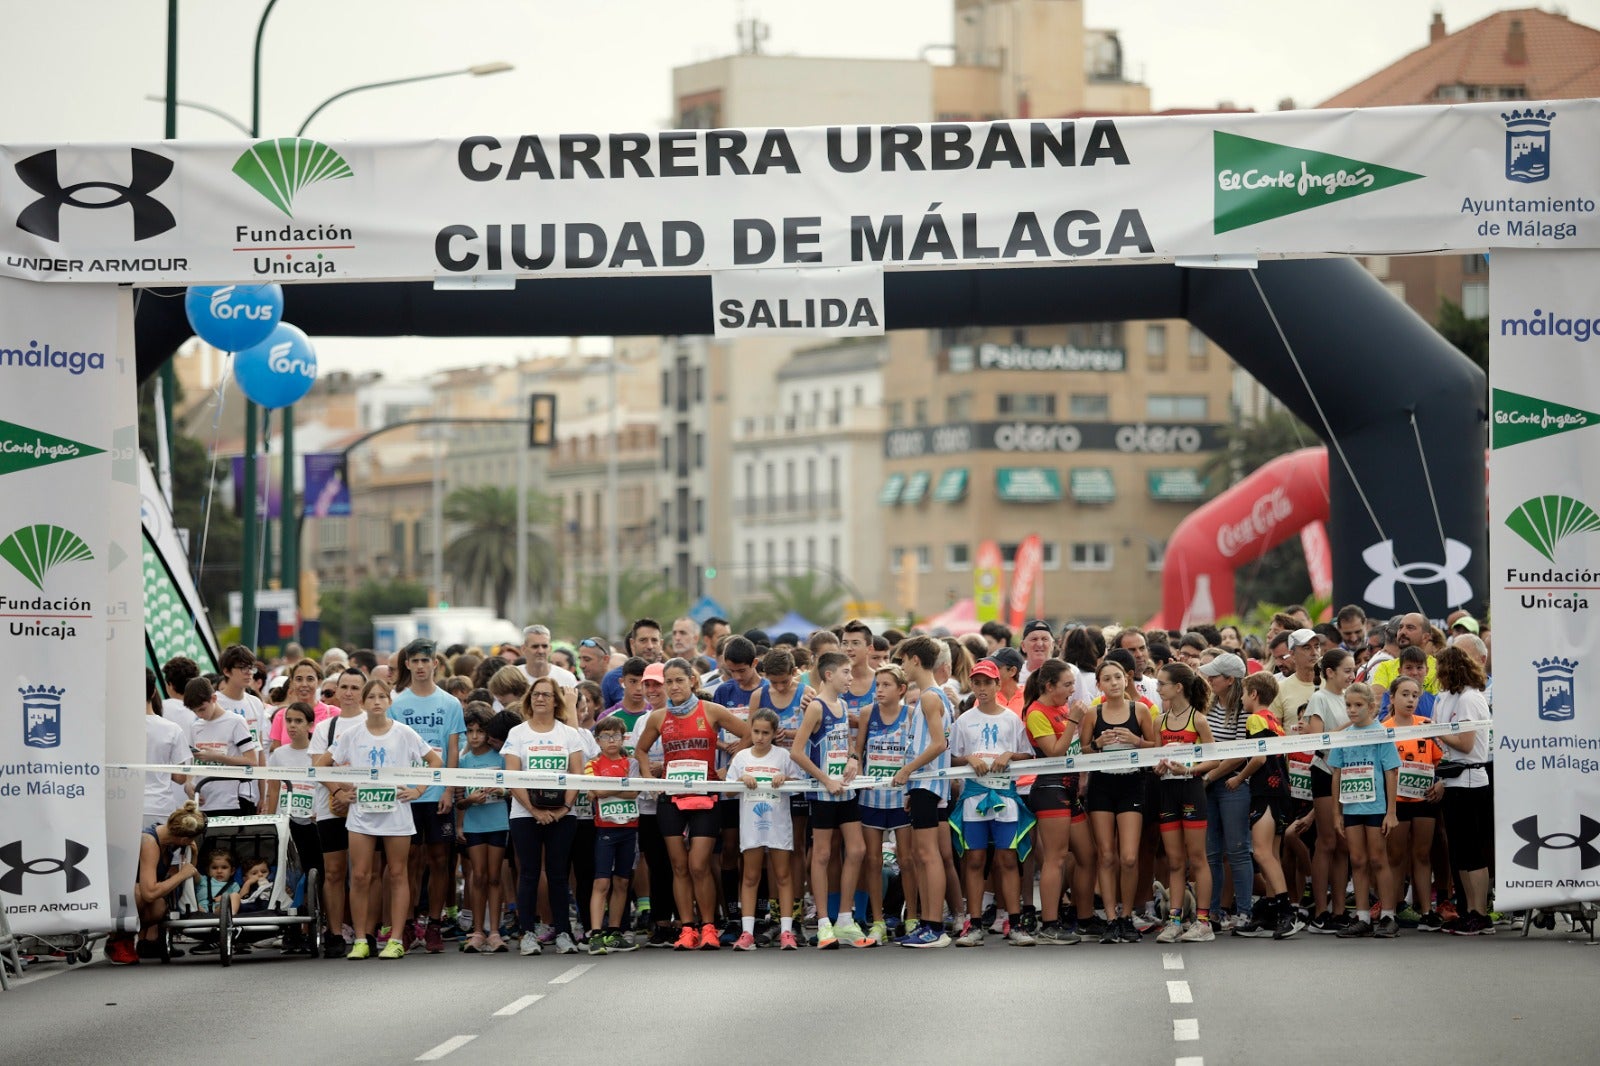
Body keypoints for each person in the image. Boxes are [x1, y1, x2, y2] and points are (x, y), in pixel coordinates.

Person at [316, 678, 442, 960]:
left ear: (389, 702)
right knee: (360, 875)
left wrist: (418, 790)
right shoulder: (351, 734)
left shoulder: (404, 733)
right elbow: (321, 766)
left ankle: (396, 939)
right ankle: (361, 939)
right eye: (370, 697)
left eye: (381, 697)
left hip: (396, 813)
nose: (376, 701)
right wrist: (338, 791)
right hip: (362, 814)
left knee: (398, 874)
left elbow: (435, 762)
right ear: (363, 702)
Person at [633, 658, 751, 950]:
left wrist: (728, 770)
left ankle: (709, 926)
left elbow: (748, 734)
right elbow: (640, 749)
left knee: (699, 864)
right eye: (668, 682)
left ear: (692, 682)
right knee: (679, 865)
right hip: (671, 798)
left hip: (706, 796)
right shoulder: (659, 717)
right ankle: (688, 928)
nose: (673, 687)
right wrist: (649, 779)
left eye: (679, 681)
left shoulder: (710, 710)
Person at [949, 658, 1036, 946]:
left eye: (988, 682)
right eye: (977, 682)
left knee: (1007, 858)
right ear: (971, 685)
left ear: (999, 684)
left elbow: (1028, 753)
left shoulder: (1011, 719)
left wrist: (1009, 755)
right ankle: (973, 924)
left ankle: (1015, 922)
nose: (982, 688)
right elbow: (951, 756)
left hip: (1006, 796)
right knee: (974, 858)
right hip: (974, 796)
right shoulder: (964, 720)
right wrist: (967, 759)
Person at [789, 650, 871, 950]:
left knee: (858, 849)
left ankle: (845, 918)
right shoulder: (817, 707)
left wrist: (852, 758)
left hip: (845, 789)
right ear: (828, 675)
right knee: (822, 854)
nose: (851, 677)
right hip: (824, 792)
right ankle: (824, 922)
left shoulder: (843, 703)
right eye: (846, 672)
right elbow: (796, 752)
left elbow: (848, 744)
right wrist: (825, 780)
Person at [503, 676, 590, 956]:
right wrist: (534, 810)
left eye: (547, 695)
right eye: (536, 695)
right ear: (529, 700)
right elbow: (513, 776)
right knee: (528, 873)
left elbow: (577, 775)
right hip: (525, 814)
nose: (540, 699)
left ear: (557, 701)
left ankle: (564, 932)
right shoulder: (517, 733)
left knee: (558, 875)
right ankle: (527, 932)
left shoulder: (569, 734)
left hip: (563, 815)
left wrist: (563, 809)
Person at [387, 638, 464, 954]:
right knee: (409, 862)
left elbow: (453, 748)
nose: (420, 666)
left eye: (425, 660)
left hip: (437, 795)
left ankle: (434, 923)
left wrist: (448, 788)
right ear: (407, 664)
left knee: (439, 860)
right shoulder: (397, 704)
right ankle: (407, 924)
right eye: (414, 661)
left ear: (435, 664)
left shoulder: (450, 704)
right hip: (407, 794)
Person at [1080, 659, 1157, 943]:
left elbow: (1155, 746)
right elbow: (1084, 751)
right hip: (1101, 785)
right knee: (1107, 855)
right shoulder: (1092, 713)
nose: (1113, 683)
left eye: (1117, 678)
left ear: (1127, 680)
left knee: (1129, 856)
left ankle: (1127, 915)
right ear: (1098, 684)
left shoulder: (1140, 710)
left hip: (1132, 783)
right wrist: (1098, 744)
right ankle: (1111, 917)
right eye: (1107, 679)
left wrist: (1135, 741)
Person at [1020, 658, 1092, 945]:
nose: (1072, 690)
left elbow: (1078, 747)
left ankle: (1084, 918)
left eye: (1073, 684)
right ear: (1049, 686)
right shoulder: (1037, 712)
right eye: (1067, 685)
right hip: (1050, 789)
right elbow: (1055, 753)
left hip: (1070, 789)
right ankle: (1049, 923)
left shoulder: (1063, 708)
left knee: (1088, 855)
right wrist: (1074, 719)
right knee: (1055, 857)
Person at [892, 636, 955, 948]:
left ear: (915, 659)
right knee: (924, 854)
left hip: (927, 783)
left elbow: (938, 744)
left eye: (903, 661)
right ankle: (929, 924)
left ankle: (934, 926)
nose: (902, 667)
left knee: (928, 855)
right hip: (924, 784)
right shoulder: (933, 696)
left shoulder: (931, 697)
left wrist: (907, 770)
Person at [1329, 681, 1402, 938]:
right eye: (1348, 705)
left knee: (1377, 859)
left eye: (1358, 705)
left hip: (1375, 807)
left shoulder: (1380, 733)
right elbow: (1336, 774)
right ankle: (1361, 916)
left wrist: (1391, 812)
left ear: (1371, 707)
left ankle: (1388, 915)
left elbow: (1391, 771)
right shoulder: (1343, 737)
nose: (1352, 710)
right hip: (1351, 807)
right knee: (1357, 861)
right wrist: (1337, 813)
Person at [1233, 672, 1303, 939]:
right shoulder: (1276, 721)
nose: (1241, 699)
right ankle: (1271, 910)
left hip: (1265, 791)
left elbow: (1259, 758)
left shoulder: (1255, 719)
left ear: (1253, 694)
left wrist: (1239, 777)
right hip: (1282, 791)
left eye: (1243, 693)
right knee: (1271, 856)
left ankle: (1287, 911)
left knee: (1261, 854)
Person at [1430, 646, 1495, 936]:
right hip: (1452, 779)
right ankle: (1469, 908)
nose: (1436, 675)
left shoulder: (1470, 698)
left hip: (1471, 781)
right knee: (1459, 851)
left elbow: (1467, 744)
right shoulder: (1445, 697)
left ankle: (1480, 912)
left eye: (1439, 668)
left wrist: (1435, 731)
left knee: (1472, 851)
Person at [1152, 663, 1217, 943]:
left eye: (1162, 684)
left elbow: (1214, 759)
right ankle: (1174, 920)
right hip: (1167, 792)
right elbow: (1154, 758)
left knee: (1197, 858)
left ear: (1178, 687)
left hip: (1191, 789)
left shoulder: (1198, 719)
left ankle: (1203, 922)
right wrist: (1158, 766)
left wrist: (1189, 770)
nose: (1158, 689)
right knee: (1175, 861)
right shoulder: (1160, 721)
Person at [728, 708, 801, 950]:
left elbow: (798, 785)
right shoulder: (741, 758)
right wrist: (741, 782)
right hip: (751, 825)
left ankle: (787, 931)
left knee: (782, 875)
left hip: (778, 824)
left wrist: (785, 780)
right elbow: (727, 790)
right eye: (756, 731)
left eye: (765, 732)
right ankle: (747, 933)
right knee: (750, 876)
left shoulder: (783, 756)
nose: (760, 737)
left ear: (774, 733)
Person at [309, 667, 369, 957]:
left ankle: (364, 932)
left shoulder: (375, 723)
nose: (348, 693)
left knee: (363, 873)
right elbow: (317, 766)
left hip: (368, 808)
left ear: (364, 692)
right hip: (330, 807)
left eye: (355, 688)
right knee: (333, 872)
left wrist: (355, 794)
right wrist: (338, 792)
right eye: (344, 687)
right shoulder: (325, 727)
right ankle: (333, 933)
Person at [855, 663, 915, 947]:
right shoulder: (868, 713)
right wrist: (854, 764)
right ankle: (877, 921)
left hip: (900, 796)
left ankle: (912, 917)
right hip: (872, 797)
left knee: (906, 860)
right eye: (877, 685)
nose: (879, 690)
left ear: (901, 689)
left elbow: (916, 753)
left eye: (886, 685)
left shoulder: (912, 715)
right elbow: (858, 751)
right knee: (874, 861)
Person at [1303, 647, 1355, 934]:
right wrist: (1352, 724)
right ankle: (1320, 911)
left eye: (1353, 670)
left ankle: (1338, 909)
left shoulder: (1350, 698)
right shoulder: (1319, 698)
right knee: (1326, 841)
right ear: (1330, 672)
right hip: (1324, 771)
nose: (1351, 675)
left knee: (1343, 842)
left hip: (1349, 775)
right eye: (1346, 670)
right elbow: (1316, 739)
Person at [1384, 675, 1443, 931]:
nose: (1410, 700)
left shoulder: (1427, 725)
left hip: (1424, 799)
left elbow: (1441, 761)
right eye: (1404, 694)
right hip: (1396, 802)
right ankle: (1394, 907)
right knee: (1396, 856)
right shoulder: (1385, 729)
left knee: (1421, 854)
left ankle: (1426, 912)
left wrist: (1440, 783)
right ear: (1393, 697)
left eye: (1414, 695)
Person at [265, 701, 321, 952]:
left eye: (299, 721)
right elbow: (273, 789)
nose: (292, 726)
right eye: (289, 721)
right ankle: (291, 930)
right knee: (288, 876)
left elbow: (322, 784)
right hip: (286, 824)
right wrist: (271, 817)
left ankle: (311, 928)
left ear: (310, 725)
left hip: (311, 822)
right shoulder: (279, 754)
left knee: (312, 873)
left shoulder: (318, 753)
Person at [584, 715, 641, 955]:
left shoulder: (632, 763)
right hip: (605, 829)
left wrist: (605, 790)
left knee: (623, 881)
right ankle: (597, 934)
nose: (611, 741)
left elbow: (635, 791)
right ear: (597, 740)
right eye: (606, 736)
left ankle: (615, 932)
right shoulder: (592, 764)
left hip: (629, 828)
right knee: (602, 881)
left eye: (616, 735)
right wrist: (620, 787)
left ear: (623, 737)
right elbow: (593, 790)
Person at [457, 703, 511, 953]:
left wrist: (501, 790)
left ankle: (496, 931)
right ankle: (477, 931)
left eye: (480, 731)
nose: (476, 736)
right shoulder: (463, 761)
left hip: (498, 821)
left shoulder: (500, 757)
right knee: (476, 876)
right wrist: (470, 800)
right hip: (474, 824)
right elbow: (458, 799)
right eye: (470, 731)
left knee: (494, 876)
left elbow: (512, 787)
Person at [124, 802, 206, 963]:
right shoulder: (149, 842)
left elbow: (187, 877)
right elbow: (149, 893)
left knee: (159, 907)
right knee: (141, 893)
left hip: (132, 898)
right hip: (116, 896)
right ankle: (117, 939)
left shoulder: (168, 841)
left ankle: (141, 941)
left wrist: (193, 856)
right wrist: (181, 874)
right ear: (184, 839)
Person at [185, 677, 260, 816]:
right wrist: (188, 784)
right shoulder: (196, 727)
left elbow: (252, 761)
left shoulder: (236, 721)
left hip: (233, 801)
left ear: (213, 698)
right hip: (204, 802)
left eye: (202, 709)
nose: (200, 715)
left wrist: (217, 757)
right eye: (195, 711)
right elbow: (191, 763)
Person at [143, 669, 189, 831]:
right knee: (160, 855)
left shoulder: (117, 728)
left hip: (124, 803)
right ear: (154, 691)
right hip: (160, 806)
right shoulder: (172, 729)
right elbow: (181, 777)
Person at [268, 658, 338, 750]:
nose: (304, 684)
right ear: (292, 682)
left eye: (310, 679)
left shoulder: (334, 714)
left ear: (319, 682)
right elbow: (276, 754)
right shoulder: (281, 716)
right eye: (299, 679)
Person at [519, 624, 578, 689]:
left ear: (550, 649)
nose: (540, 651)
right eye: (535, 646)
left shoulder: (567, 678)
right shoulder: (513, 676)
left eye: (545, 646)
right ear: (523, 649)